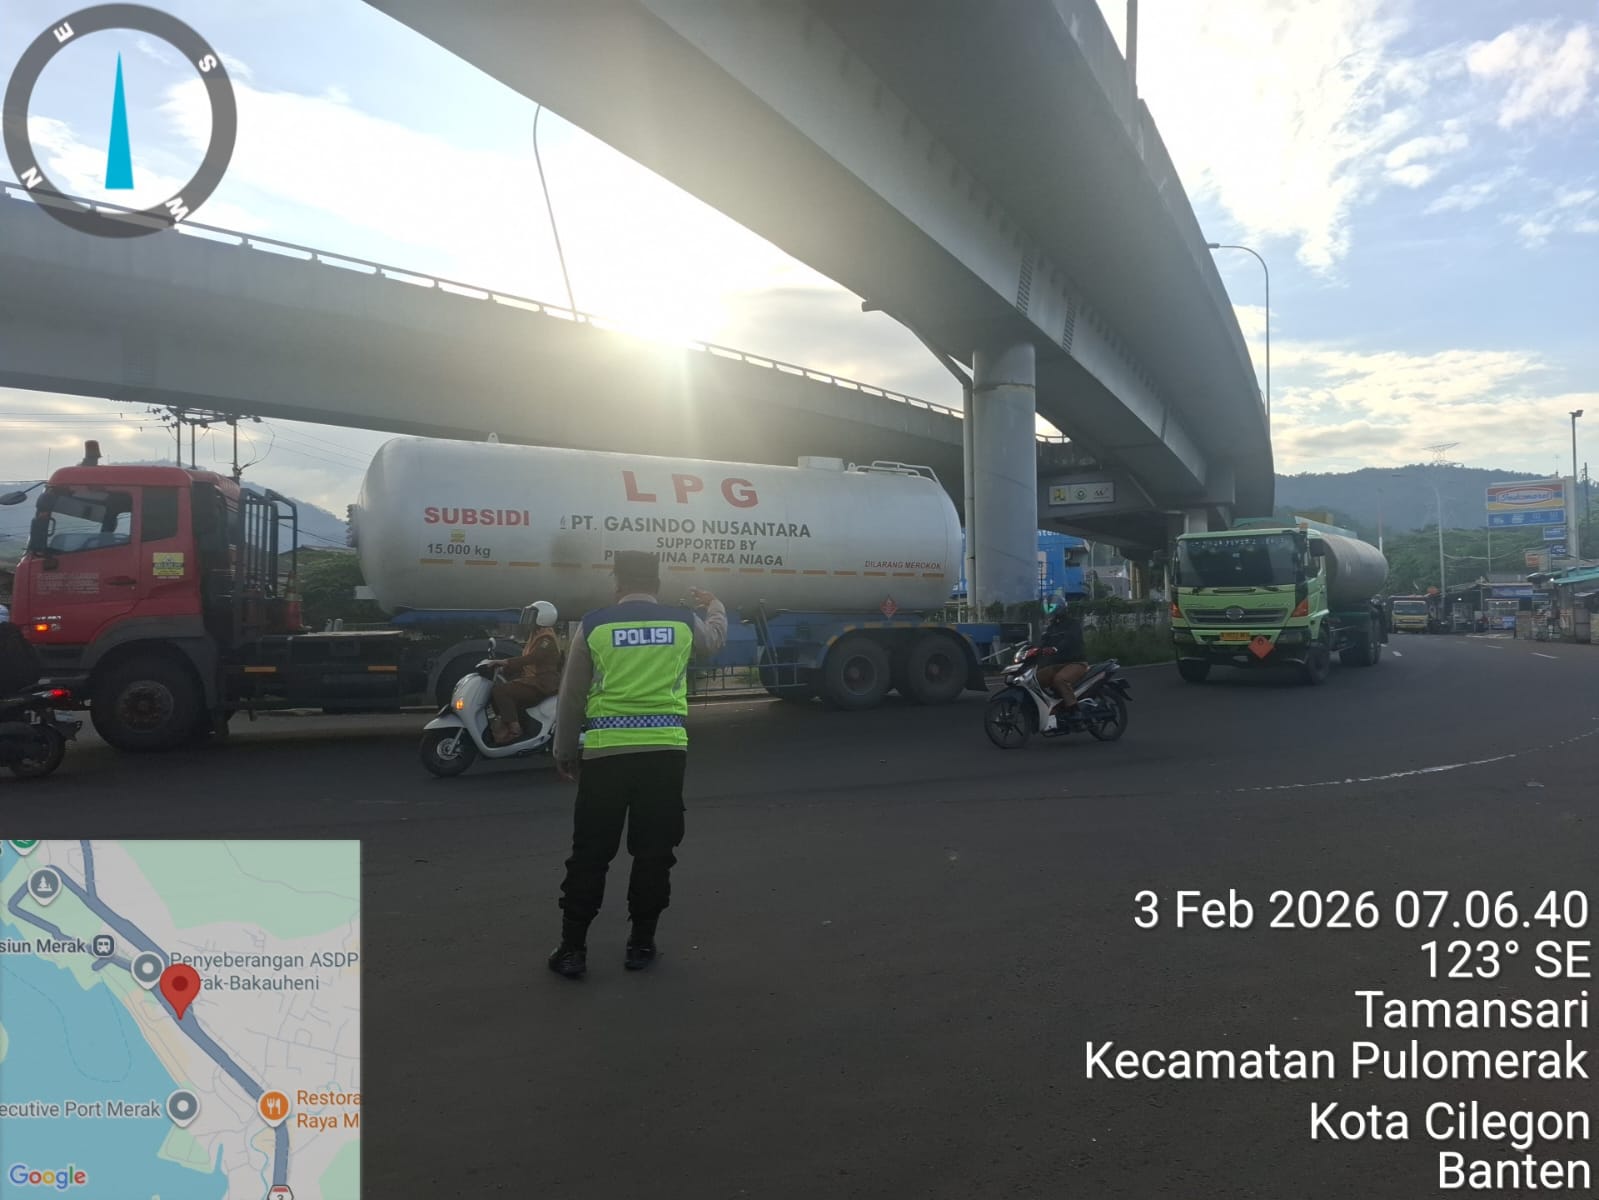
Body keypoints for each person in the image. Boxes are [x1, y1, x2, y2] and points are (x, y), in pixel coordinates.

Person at [548, 551, 728, 979]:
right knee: (654, 853)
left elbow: (572, 695)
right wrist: (716, 606)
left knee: (590, 855)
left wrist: (564, 751)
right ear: (657, 585)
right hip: (665, 757)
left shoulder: (594, 625)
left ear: (617, 584)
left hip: (605, 757)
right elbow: (714, 641)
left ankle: (573, 949)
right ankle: (641, 944)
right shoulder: (682, 622)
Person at [484, 600, 563, 744]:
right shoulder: (536, 635)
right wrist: (505, 669)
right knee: (504, 688)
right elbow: (527, 660)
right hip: (534, 680)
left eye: (532, 616)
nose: (528, 620)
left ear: (542, 618)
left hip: (542, 683)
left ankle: (515, 731)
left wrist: (505, 662)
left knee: (501, 691)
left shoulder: (546, 639)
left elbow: (533, 658)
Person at [1034, 597, 1089, 721]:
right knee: (1036, 680)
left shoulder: (1073, 624)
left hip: (1076, 663)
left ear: (1060, 608)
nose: (1050, 612)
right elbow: (1043, 642)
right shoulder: (1051, 627)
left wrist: (1055, 648)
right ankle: (1051, 707)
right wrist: (1034, 650)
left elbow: (1070, 640)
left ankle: (1074, 710)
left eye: (1052, 608)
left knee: (1060, 680)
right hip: (1058, 664)